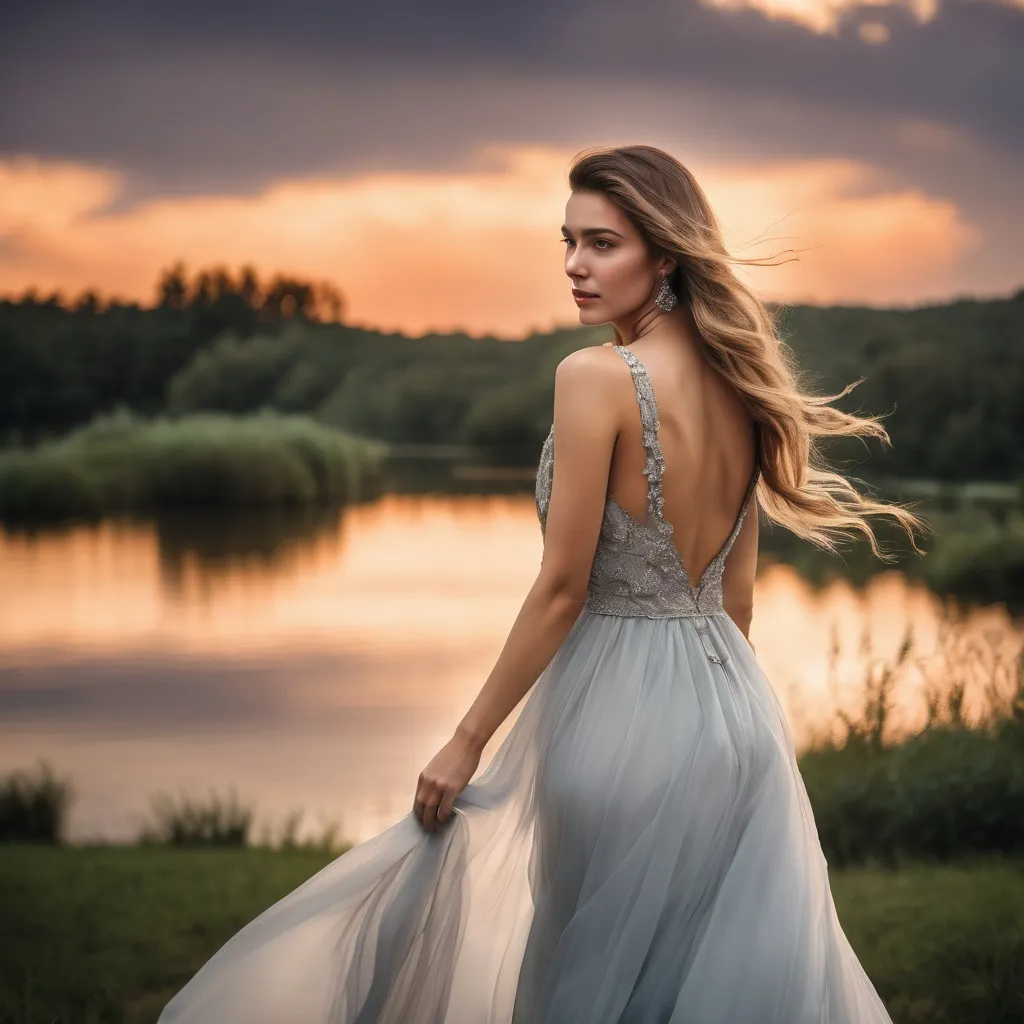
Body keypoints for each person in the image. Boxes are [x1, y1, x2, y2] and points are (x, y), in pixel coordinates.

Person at [158, 144, 928, 1023]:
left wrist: (467, 739)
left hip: (616, 722)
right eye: (566, 242)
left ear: (665, 254)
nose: (574, 266)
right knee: (706, 986)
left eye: (602, 244)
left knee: (588, 982)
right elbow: (736, 599)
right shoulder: (744, 383)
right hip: (735, 726)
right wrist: (711, 721)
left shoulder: (595, 377)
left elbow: (562, 589)